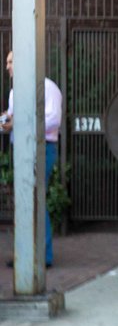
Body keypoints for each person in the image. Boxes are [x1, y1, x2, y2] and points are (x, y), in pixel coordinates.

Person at [2, 51, 62, 267]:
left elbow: (53, 120)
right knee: (24, 201)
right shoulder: (14, 92)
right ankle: (25, 253)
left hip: (42, 149)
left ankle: (43, 256)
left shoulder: (47, 87)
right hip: (21, 149)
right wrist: (4, 121)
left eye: (11, 62)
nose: (7, 66)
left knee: (36, 199)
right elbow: (11, 116)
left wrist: (17, 122)